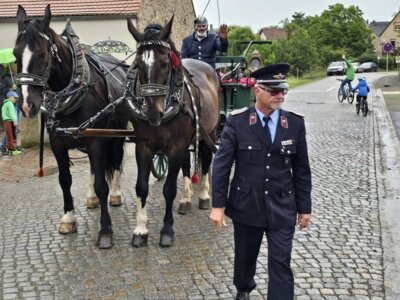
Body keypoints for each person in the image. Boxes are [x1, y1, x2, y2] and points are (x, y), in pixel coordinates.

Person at [210, 63, 312, 300]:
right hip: (247, 205)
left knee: (281, 262)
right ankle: (243, 289)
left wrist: (304, 207)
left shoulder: (295, 124)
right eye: (273, 91)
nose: (280, 96)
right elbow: (222, 166)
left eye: (283, 91)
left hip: (282, 206)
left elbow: (302, 170)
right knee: (245, 259)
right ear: (257, 91)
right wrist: (218, 205)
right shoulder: (238, 122)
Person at [1, 90, 22, 156]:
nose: (15, 99)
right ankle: (13, 150)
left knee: (8, 135)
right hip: (10, 121)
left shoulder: (5, 104)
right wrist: (15, 120)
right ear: (10, 97)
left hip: (6, 121)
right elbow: (12, 113)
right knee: (12, 135)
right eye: (14, 98)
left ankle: (9, 149)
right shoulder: (10, 104)